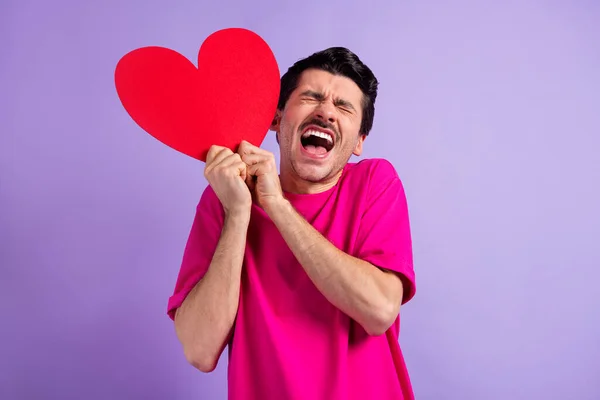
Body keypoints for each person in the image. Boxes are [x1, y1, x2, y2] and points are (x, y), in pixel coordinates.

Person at [167, 47, 417, 400]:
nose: (326, 111)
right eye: (311, 97)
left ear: (359, 141)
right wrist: (239, 214)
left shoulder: (375, 183)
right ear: (276, 118)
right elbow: (198, 349)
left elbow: (378, 310)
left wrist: (276, 206)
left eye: (344, 107)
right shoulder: (223, 199)